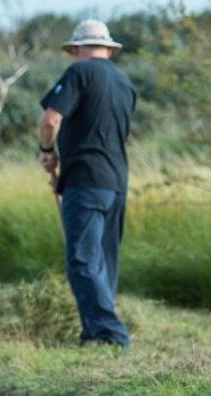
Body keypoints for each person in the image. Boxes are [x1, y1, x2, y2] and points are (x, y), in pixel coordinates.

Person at [37, 19, 136, 346]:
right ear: (109, 49)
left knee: (81, 260)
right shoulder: (124, 84)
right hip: (117, 181)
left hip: (85, 179)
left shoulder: (78, 73)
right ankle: (93, 334)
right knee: (104, 261)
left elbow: (50, 120)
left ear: (77, 49)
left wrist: (47, 150)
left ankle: (112, 336)